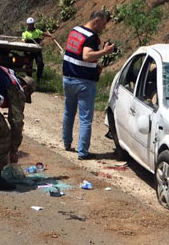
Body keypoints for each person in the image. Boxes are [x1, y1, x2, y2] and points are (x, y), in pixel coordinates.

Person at [61, 10, 115, 160]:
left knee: (68, 112)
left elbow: (77, 54)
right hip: (83, 82)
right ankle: (83, 152)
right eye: (103, 24)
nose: (104, 27)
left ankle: (66, 142)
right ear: (96, 21)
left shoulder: (74, 31)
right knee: (85, 118)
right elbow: (86, 55)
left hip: (68, 78)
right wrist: (104, 51)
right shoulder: (92, 37)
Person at [21, 17, 52, 83]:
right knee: (28, 65)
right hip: (29, 51)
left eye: (32, 24)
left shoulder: (37, 31)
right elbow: (23, 40)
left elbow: (43, 33)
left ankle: (39, 78)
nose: (31, 26)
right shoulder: (25, 33)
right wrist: (24, 41)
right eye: (29, 24)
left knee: (40, 64)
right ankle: (28, 80)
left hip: (36, 51)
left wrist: (51, 36)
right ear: (27, 25)